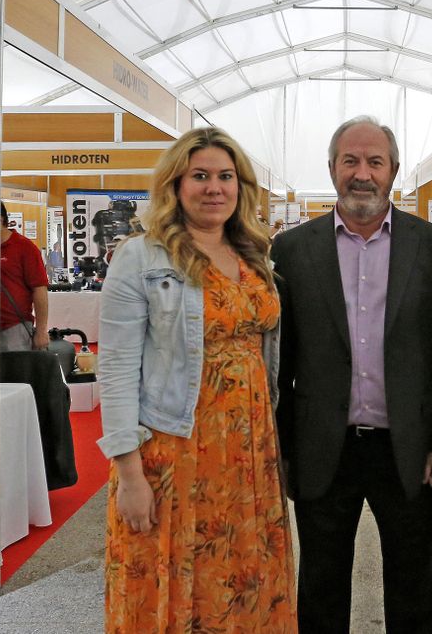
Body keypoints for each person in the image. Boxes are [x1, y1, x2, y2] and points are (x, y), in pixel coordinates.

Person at [97, 127, 294, 632]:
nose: (214, 188)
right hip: (175, 449)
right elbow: (116, 366)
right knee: (173, 581)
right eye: (200, 176)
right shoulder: (140, 257)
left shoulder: (254, 254)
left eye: (225, 176)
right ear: (175, 185)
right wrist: (130, 474)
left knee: (242, 580)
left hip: (249, 452)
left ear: (240, 186)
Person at [273, 116, 432, 633]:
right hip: (321, 447)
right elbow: (279, 363)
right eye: (350, 161)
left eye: (374, 162)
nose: (362, 173)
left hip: (409, 448)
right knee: (321, 587)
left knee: (413, 586)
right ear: (331, 168)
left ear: (393, 171)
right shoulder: (291, 250)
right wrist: (283, 450)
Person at [0, 202, 50, 351]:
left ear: (0, 219)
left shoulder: (24, 247)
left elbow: (40, 290)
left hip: (14, 327)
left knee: (15, 373)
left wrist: (41, 331)